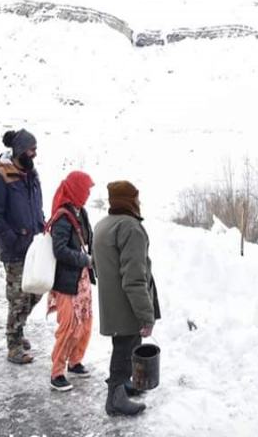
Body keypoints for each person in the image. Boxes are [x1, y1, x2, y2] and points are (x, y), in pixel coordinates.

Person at [93, 180, 161, 417]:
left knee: (123, 346)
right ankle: (115, 399)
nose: (139, 202)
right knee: (125, 349)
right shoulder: (130, 228)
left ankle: (122, 386)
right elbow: (134, 277)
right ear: (130, 201)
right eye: (136, 198)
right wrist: (146, 315)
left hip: (111, 301)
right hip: (126, 304)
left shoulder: (104, 224)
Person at [0, 129, 44, 364]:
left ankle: (17, 329)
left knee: (36, 291)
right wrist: (12, 238)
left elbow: (35, 206)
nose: (35, 154)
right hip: (15, 249)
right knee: (18, 297)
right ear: (20, 151)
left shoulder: (31, 175)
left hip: (35, 247)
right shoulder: (1, 177)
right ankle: (14, 344)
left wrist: (42, 225)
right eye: (32, 149)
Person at [47, 171, 95, 392]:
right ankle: (57, 372)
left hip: (81, 279)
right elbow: (59, 250)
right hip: (67, 281)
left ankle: (75, 361)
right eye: (85, 189)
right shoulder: (63, 216)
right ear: (76, 190)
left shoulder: (80, 211)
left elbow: (88, 239)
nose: (87, 194)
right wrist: (84, 259)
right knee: (68, 326)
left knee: (84, 322)